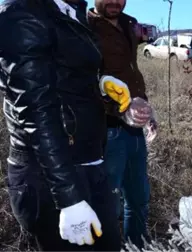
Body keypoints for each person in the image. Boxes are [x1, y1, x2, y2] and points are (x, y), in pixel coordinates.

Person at [0, 0, 133, 251]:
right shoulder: (23, 11)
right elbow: (35, 112)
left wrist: (100, 83)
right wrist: (68, 198)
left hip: (87, 161)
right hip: (50, 174)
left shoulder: (70, 8)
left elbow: (62, 71)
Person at [87, 0, 152, 248]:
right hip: (107, 129)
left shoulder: (128, 23)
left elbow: (130, 72)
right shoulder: (86, 26)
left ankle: (136, 246)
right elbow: (85, 80)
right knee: (108, 205)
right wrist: (120, 109)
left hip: (134, 129)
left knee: (138, 201)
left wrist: (147, 109)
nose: (115, 1)